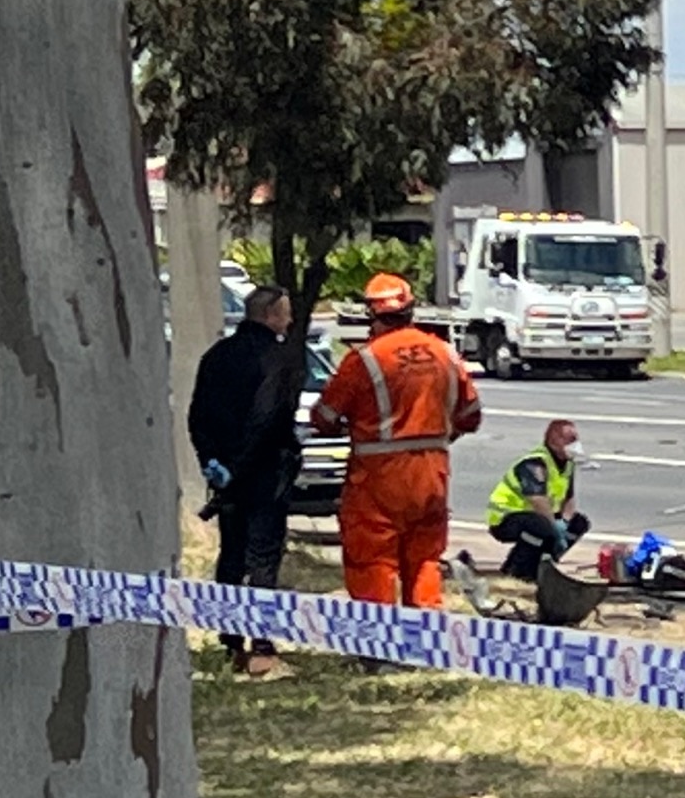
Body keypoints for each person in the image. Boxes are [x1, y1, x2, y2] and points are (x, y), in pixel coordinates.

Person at [312, 273, 483, 609]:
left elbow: (324, 417)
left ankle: (377, 646)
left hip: (379, 478)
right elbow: (470, 416)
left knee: (372, 559)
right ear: (411, 310)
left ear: (372, 314)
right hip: (432, 473)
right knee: (425, 558)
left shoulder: (364, 360)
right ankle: (425, 637)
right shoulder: (445, 354)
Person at [187, 284, 303, 677]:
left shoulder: (216, 357)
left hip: (228, 475)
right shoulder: (279, 358)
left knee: (231, 553)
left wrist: (213, 462)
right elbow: (268, 418)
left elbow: (197, 415)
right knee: (263, 557)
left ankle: (230, 640)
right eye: (284, 313)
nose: (288, 319)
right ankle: (262, 645)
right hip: (266, 471)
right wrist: (242, 465)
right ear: (269, 316)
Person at [487, 418, 592, 581]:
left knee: (579, 523)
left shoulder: (567, 464)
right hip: (506, 516)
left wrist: (564, 522)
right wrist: (554, 528)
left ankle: (546, 563)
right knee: (541, 528)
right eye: (570, 440)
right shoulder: (535, 463)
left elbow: (568, 498)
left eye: (576, 439)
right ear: (554, 441)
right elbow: (537, 499)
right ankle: (517, 571)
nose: (575, 444)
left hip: (539, 515)